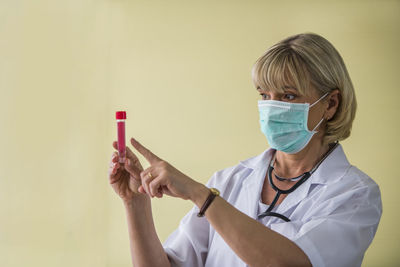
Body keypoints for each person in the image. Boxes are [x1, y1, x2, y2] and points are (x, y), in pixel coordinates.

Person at [108, 32, 382, 267]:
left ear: (331, 104)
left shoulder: (354, 194)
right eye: (264, 95)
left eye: (288, 96)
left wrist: (200, 195)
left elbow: (288, 263)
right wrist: (136, 204)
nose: (271, 108)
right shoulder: (230, 181)